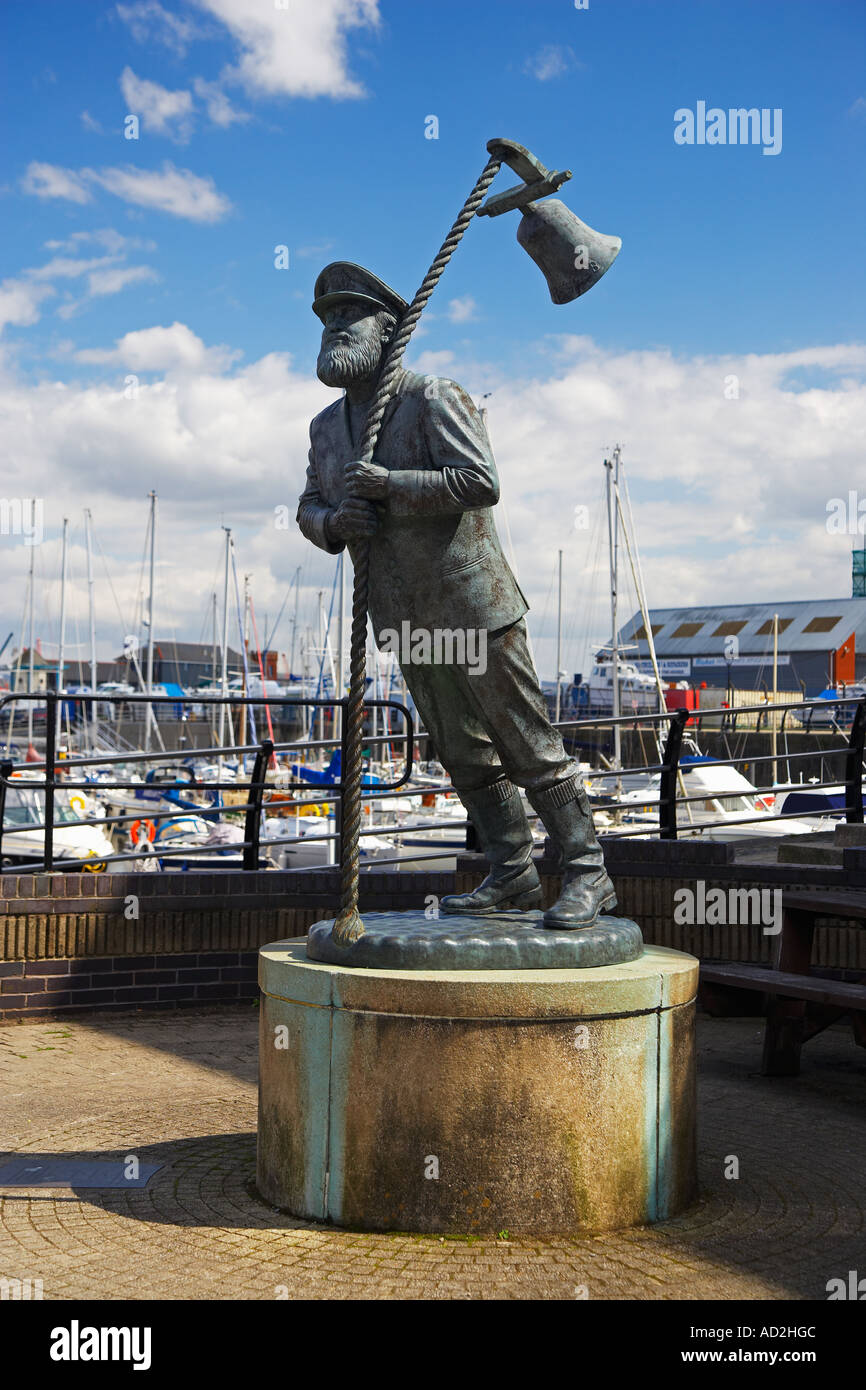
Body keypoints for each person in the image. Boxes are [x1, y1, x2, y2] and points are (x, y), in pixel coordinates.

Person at [296, 261, 616, 928]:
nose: (332, 328)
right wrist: (333, 523)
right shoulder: (325, 428)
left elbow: (479, 481)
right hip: (404, 614)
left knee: (527, 742)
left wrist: (390, 484)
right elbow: (308, 506)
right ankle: (513, 872)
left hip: (474, 607)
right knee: (460, 750)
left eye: (346, 316)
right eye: (325, 317)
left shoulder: (434, 395)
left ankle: (588, 872)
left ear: (388, 331)